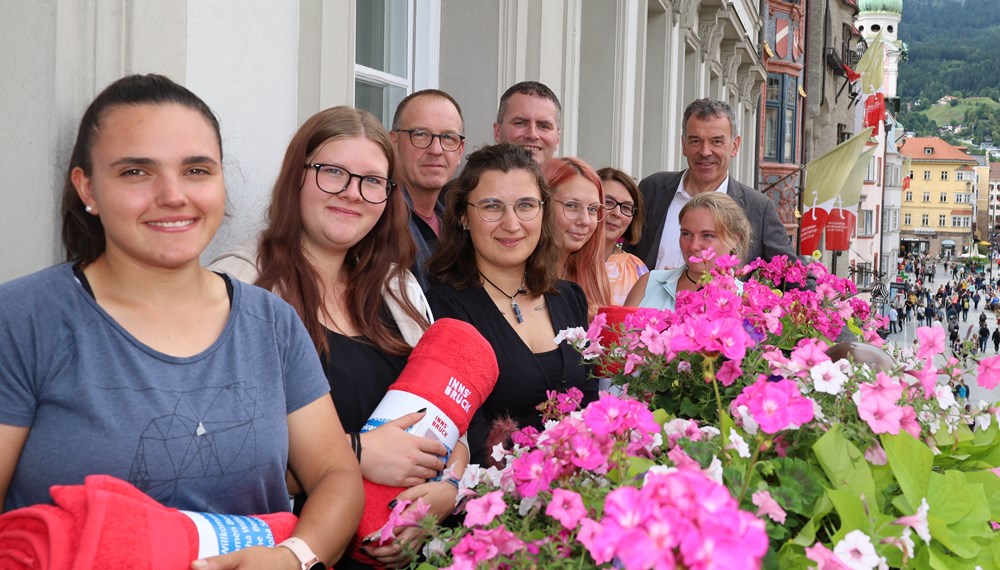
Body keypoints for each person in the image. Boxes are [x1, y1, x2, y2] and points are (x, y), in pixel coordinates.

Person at [0, 74, 362, 569]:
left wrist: (292, 556)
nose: (173, 195)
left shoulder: (270, 323)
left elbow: (335, 476)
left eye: (196, 170)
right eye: (135, 172)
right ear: (87, 187)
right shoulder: (22, 320)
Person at [210, 106, 466, 569]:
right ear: (297, 176)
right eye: (333, 173)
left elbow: (452, 424)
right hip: (292, 552)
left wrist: (445, 490)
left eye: (372, 181)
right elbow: (214, 456)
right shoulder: (240, 287)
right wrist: (356, 454)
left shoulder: (398, 288)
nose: (352, 193)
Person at [425, 143, 597, 465]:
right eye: (492, 207)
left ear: (543, 211)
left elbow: (589, 403)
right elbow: (465, 434)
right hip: (492, 499)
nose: (512, 224)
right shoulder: (446, 310)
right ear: (463, 216)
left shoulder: (569, 298)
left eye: (526, 205)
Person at [631, 98, 794, 270]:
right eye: (695, 141)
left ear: (735, 146)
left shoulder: (758, 209)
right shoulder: (652, 190)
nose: (705, 152)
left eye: (716, 141)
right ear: (684, 144)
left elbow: (795, 275)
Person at [389, 89, 466, 289]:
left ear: (460, 151)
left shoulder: (458, 225)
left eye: (448, 137)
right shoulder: (381, 220)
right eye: (421, 135)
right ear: (393, 142)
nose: (436, 149)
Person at [624, 192, 751, 310]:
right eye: (686, 234)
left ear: (734, 239)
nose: (693, 246)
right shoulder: (650, 283)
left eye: (707, 235)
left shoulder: (745, 301)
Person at [542, 157, 614, 315]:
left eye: (593, 209)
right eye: (572, 206)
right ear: (543, 204)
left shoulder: (593, 280)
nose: (585, 221)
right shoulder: (519, 285)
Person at [597, 167, 649, 305]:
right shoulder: (563, 260)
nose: (617, 213)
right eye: (608, 202)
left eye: (626, 207)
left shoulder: (637, 269)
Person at [493, 81, 561, 166]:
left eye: (543, 126)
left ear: (557, 139)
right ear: (497, 132)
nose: (532, 135)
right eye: (520, 123)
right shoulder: (475, 179)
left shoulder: (576, 178)